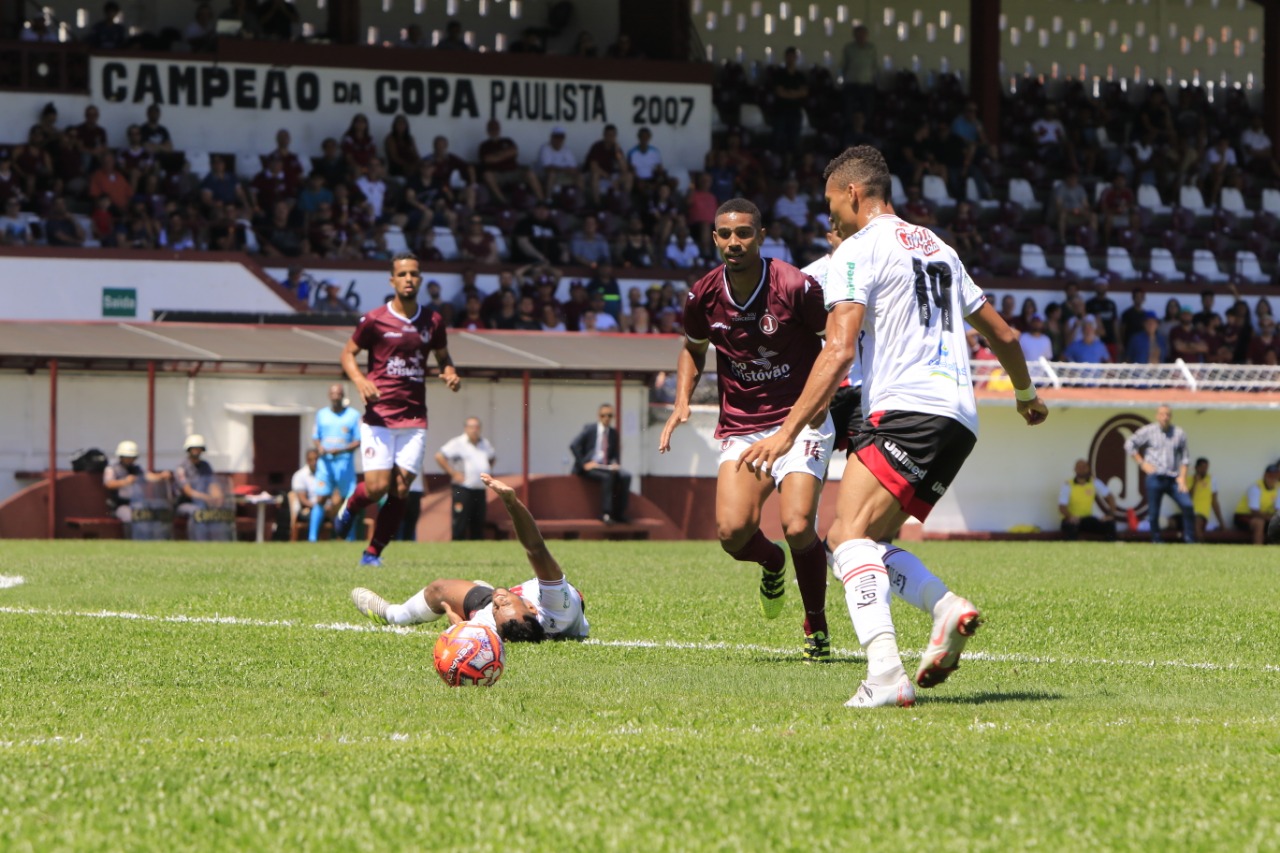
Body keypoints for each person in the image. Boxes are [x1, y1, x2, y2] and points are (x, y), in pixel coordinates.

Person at [738, 145, 1049, 708]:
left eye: (830, 201)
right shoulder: (938, 246)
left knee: (845, 538)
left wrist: (786, 433)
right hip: (959, 419)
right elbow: (1004, 336)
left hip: (907, 410)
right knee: (864, 541)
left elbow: (836, 352)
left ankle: (885, 673)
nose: (828, 214)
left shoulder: (859, 249)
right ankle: (944, 608)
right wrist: (1026, 396)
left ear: (853, 194)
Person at [658, 199, 835, 662]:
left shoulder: (795, 285)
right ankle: (772, 563)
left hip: (800, 421)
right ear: (713, 238)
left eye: (743, 233)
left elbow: (830, 347)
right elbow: (692, 349)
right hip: (742, 426)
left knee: (798, 524)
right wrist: (681, 401)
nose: (733, 242)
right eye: (724, 234)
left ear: (760, 235)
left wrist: (822, 401)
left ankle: (815, 623)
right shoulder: (703, 295)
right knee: (733, 533)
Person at [332, 252, 462, 566]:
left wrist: (449, 372)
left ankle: (373, 552)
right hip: (378, 416)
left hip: (414, 417)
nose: (408, 279)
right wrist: (361, 381)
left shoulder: (432, 321)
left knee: (401, 488)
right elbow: (348, 354)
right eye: (402, 274)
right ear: (392, 280)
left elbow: (443, 357)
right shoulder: (375, 319)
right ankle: (351, 504)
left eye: (414, 274)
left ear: (420, 279)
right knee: (377, 488)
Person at [351, 474, 588, 642]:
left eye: (497, 607)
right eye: (504, 603)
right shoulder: (558, 606)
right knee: (498, 591)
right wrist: (511, 503)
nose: (498, 601)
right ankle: (479, 592)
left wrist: (459, 623)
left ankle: (391, 614)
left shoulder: (491, 623)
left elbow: (465, 633)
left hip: (486, 616)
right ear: (531, 607)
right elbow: (536, 548)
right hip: (564, 604)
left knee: (440, 589)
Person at [1124, 404, 1196, 543]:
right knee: (1154, 512)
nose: (1165, 417)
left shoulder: (1178, 433)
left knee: (1187, 505)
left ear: (1171, 416)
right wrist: (1142, 463)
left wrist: (1182, 478)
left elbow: (1185, 458)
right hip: (1155, 476)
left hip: (1173, 477)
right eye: (1162, 414)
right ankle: (1156, 540)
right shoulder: (1149, 431)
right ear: (1157, 415)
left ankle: (1189, 539)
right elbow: (1129, 444)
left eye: (1168, 414)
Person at [310, 383, 361, 542]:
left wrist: (340, 450)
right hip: (325, 464)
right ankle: (312, 538)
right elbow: (316, 437)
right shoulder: (321, 415)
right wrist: (320, 448)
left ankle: (350, 537)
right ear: (329, 395)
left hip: (344, 464)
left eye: (338, 394)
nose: (335, 397)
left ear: (343, 396)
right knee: (321, 498)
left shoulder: (353, 415)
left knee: (349, 500)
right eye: (333, 394)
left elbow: (359, 441)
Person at [434, 416, 496, 540]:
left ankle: (477, 545)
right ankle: (457, 543)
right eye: (471, 427)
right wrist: (453, 473)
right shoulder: (457, 443)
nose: (474, 430)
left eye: (476, 427)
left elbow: (492, 457)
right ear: (466, 428)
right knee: (460, 519)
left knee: (478, 520)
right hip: (462, 487)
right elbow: (439, 456)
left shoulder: (484, 443)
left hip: (479, 487)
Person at [571, 403, 631, 524]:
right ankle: (606, 513)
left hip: (606, 466)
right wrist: (584, 464)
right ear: (599, 416)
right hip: (589, 467)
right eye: (604, 415)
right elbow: (574, 445)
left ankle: (619, 514)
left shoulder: (613, 433)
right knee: (607, 477)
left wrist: (614, 464)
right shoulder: (590, 429)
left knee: (626, 476)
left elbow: (614, 455)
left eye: (609, 415)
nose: (607, 418)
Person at [103, 440, 172, 535]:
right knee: (130, 517)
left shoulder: (137, 469)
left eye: (132, 457)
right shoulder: (112, 469)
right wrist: (125, 482)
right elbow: (109, 484)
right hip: (122, 504)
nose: (130, 460)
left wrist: (161, 476)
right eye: (127, 457)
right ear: (121, 456)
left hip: (139, 503)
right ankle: (130, 541)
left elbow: (148, 476)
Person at [1058, 459, 1118, 541]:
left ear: (1089, 468)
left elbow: (1110, 497)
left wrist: (1110, 514)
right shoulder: (1067, 485)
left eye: (1084, 467)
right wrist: (1070, 516)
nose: (1082, 469)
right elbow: (1062, 507)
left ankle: (1110, 548)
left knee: (1110, 524)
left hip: (1087, 519)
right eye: (1079, 467)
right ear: (1074, 469)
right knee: (1070, 526)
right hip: (1072, 519)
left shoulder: (1094, 482)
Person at [1233, 463, 1279, 546]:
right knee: (1259, 522)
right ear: (1265, 475)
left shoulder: (1277, 489)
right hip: (1244, 516)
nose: (1273, 479)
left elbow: (1277, 510)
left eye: (1275, 476)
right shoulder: (1256, 488)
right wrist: (1272, 519)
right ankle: (1258, 549)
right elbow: (1254, 512)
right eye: (1270, 476)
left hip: (1266, 517)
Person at [289, 449, 325, 539]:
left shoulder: (325, 474)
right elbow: (303, 499)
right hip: (306, 508)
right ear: (307, 460)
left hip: (325, 508)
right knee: (317, 511)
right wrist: (317, 506)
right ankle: (312, 539)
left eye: (316, 459)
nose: (314, 462)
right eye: (311, 460)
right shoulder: (300, 475)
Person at [1189, 457, 1226, 541]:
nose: (1204, 470)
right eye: (1202, 468)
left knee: (1197, 522)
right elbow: (1188, 498)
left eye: (1206, 468)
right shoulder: (1189, 479)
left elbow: (1214, 502)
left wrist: (1221, 522)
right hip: (1188, 514)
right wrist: (1195, 482)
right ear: (1196, 468)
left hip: (1201, 514)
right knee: (1169, 522)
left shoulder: (1212, 480)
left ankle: (1200, 546)